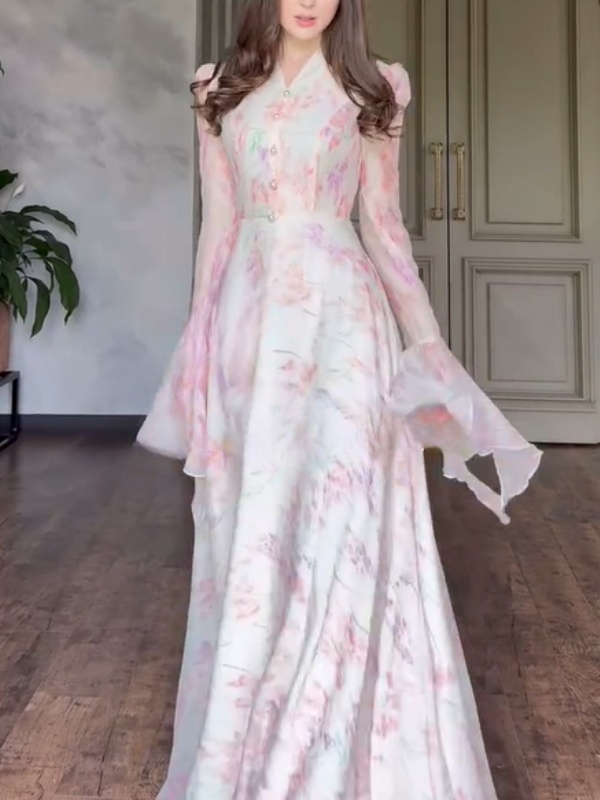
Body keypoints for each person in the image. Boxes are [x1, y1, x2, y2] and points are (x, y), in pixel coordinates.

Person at [137, 0, 542, 797]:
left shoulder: (374, 90)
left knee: (344, 524)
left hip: (346, 329)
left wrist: (427, 349)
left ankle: (339, 751)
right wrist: (197, 349)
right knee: (256, 529)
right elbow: (218, 229)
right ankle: (248, 748)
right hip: (252, 330)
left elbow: (383, 228)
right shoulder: (217, 90)